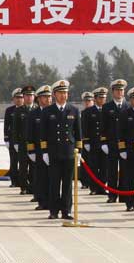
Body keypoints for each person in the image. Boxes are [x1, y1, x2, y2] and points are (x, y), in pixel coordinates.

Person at [39, 80, 81, 220]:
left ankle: (66, 210)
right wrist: (44, 152)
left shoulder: (74, 110)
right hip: (54, 152)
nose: (63, 95)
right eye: (60, 93)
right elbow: (43, 133)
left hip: (69, 152)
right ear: (55, 94)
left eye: (65, 93)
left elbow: (78, 133)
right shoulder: (47, 111)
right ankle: (53, 211)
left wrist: (78, 153)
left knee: (68, 184)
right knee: (54, 183)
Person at [117, 87, 134, 211]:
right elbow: (120, 133)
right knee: (130, 178)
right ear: (130, 100)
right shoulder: (125, 113)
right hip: (129, 151)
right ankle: (130, 203)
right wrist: (122, 149)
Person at [101, 79, 127, 202]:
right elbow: (103, 126)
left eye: (121, 90)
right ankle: (112, 195)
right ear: (113, 92)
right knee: (111, 170)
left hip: (125, 144)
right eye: (117, 90)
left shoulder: (128, 106)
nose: (119, 92)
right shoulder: (107, 107)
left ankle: (122, 194)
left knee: (124, 170)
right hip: (111, 143)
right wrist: (103, 142)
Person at [82, 87, 108, 197]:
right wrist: (86, 141)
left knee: (104, 166)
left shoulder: (107, 110)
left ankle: (102, 187)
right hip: (93, 143)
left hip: (105, 144)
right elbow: (84, 127)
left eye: (104, 98)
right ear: (96, 98)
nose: (103, 100)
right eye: (100, 97)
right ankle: (93, 187)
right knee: (93, 166)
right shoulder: (88, 111)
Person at [4, 88, 23, 188]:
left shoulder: (27, 110)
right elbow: (6, 125)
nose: (19, 99)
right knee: (14, 161)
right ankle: (14, 181)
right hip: (12, 140)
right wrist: (6, 139)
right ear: (13, 99)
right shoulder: (10, 110)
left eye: (21, 97)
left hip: (24, 140)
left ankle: (23, 181)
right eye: (17, 98)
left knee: (24, 163)